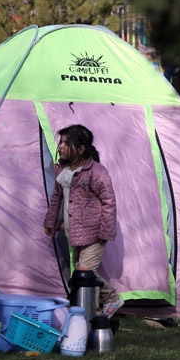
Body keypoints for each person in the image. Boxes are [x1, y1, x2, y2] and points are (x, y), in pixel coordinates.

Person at [43, 124, 122, 316]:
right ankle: (91, 311)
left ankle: (111, 299)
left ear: (80, 148)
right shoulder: (63, 170)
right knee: (81, 273)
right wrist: (50, 222)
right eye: (60, 142)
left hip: (94, 233)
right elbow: (57, 198)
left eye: (65, 143)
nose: (60, 146)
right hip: (75, 232)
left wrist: (105, 232)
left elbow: (109, 202)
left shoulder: (96, 172)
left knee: (83, 273)